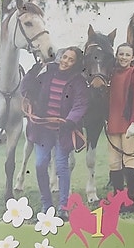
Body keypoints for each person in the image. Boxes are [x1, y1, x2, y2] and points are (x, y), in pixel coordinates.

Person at [21, 47, 88, 220]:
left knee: (61, 166)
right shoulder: (48, 74)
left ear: (76, 63)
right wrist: (35, 69)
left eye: (71, 60)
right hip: (43, 130)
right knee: (40, 164)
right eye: (64, 57)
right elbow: (26, 88)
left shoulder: (78, 81)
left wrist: (70, 121)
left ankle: (63, 207)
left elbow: (80, 104)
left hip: (63, 131)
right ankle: (47, 205)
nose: (65, 61)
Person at [107, 43, 134, 213]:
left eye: (127, 55)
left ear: (133, 57)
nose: (123, 57)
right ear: (117, 55)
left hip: (129, 123)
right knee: (113, 162)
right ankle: (118, 198)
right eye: (121, 54)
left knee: (129, 158)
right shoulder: (111, 73)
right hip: (113, 122)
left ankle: (131, 199)